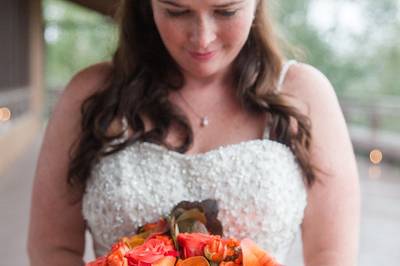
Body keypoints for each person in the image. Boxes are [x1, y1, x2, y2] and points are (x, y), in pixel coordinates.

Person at [28, 0, 360, 265]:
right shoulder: (89, 94)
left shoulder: (305, 94)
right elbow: (51, 247)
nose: (203, 37)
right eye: (177, 11)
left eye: (225, 10)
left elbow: (331, 256)